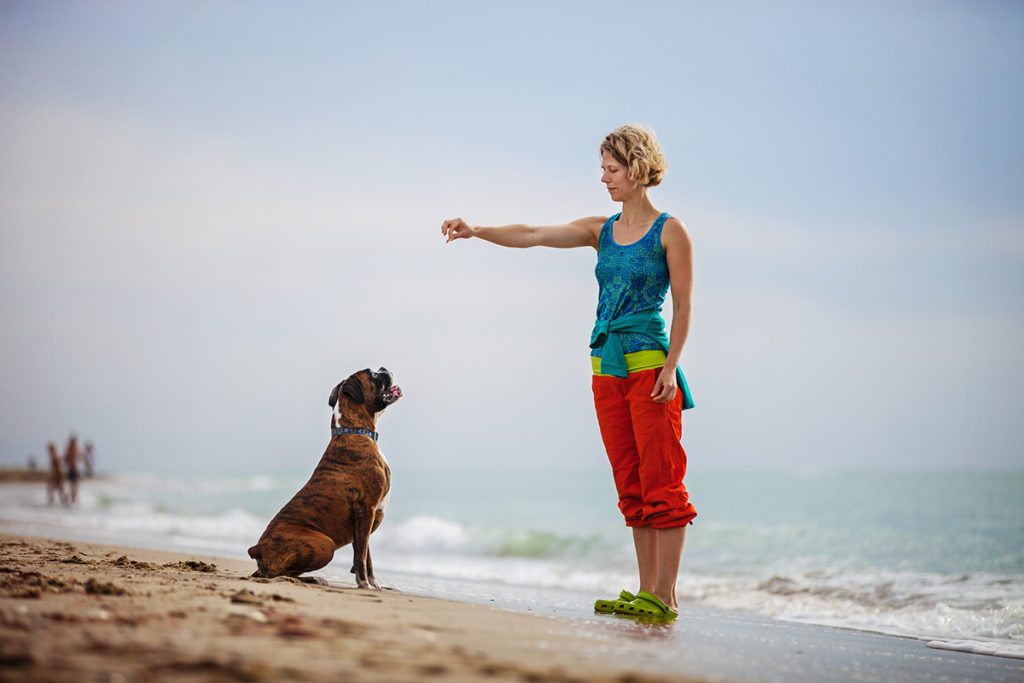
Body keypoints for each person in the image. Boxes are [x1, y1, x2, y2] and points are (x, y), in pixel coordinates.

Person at [441, 124, 697, 621]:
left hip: (650, 368)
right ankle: (647, 591)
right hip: (605, 369)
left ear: (638, 167)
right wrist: (477, 230)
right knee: (631, 481)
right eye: (602, 169)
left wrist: (671, 367)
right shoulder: (599, 230)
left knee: (662, 478)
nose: (604, 178)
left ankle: (665, 597)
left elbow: (685, 307)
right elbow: (534, 235)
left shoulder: (670, 230)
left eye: (612, 169)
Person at [46, 441, 67, 506]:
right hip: (58, 476)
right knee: (59, 491)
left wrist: (56, 477)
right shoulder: (56, 456)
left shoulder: (55, 457)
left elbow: (58, 468)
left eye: (49, 449)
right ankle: (65, 504)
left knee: (54, 490)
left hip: (58, 476)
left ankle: (51, 503)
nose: (48, 451)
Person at [63, 434, 82, 504]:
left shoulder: (76, 450)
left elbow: (80, 459)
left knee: (74, 487)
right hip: (72, 470)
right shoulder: (71, 450)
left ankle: (72, 501)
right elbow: (65, 460)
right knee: (72, 487)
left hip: (75, 470)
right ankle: (71, 501)